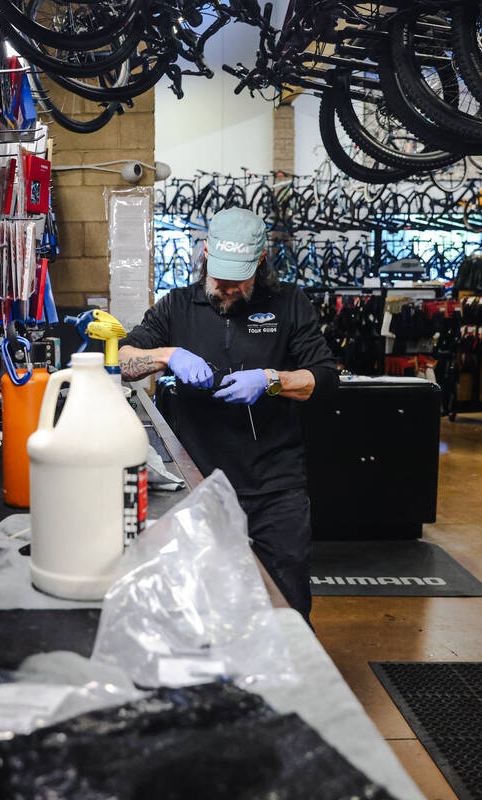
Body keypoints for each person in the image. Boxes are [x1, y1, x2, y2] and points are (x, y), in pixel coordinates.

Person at [117, 207, 337, 621]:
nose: (227, 288)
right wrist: (168, 355)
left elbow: (324, 379)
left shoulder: (290, 304)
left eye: (239, 280)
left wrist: (272, 379)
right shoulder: (176, 307)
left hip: (275, 488)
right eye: (219, 278)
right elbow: (124, 358)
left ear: (261, 260)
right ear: (204, 254)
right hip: (200, 487)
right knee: (203, 607)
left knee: (286, 605)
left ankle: (289, 684)